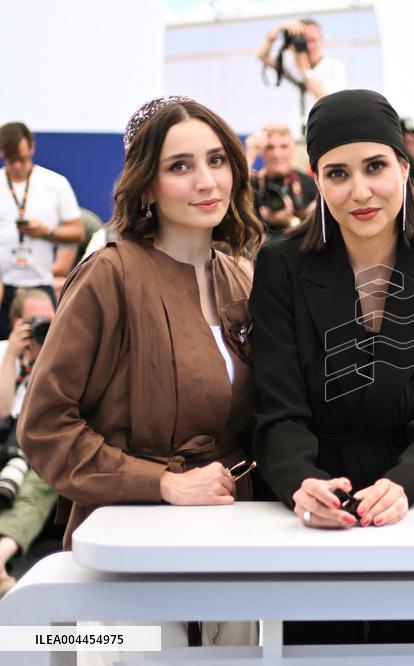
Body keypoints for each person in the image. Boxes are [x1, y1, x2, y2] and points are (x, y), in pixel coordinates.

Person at [18, 96, 265, 651]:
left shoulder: (241, 279)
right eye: (180, 166)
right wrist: (163, 483)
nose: (206, 180)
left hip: (232, 536)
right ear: (146, 184)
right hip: (130, 547)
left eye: (217, 159)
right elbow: (45, 426)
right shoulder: (109, 275)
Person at [250, 89, 414, 645]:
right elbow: (277, 408)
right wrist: (300, 484)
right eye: (338, 173)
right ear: (316, 180)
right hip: (313, 501)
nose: (360, 191)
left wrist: (403, 484)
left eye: (375, 166)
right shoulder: (280, 267)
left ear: (404, 167)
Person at [0, 122, 85, 339]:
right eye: (10, 161)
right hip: (4, 286)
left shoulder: (55, 184)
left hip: (40, 284)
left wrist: (46, 231)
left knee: (44, 351)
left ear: (32, 149)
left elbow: (78, 232)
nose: (17, 166)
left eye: (22, 159)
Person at [0, 289, 58, 598]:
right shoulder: (2, 353)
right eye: (37, 321)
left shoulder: (61, 356)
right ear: (17, 323)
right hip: (4, 444)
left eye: (52, 320)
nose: (44, 328)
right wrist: (11, 353)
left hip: (36, 450)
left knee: (41, 479)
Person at [256, 18, 347, 132]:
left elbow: (329, 101)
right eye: (304, 41)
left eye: (313, 40)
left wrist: (304, 69)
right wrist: (278, 29)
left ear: (322, 41)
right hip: (294, 132)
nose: (309, 46)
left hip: (322, 131)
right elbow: (261, 56)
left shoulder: (334, 66)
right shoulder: (290, 64)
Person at [244, 123, 318, 240]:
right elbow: (233, 199)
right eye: (270, 147)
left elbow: (317, 231)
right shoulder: (251, 183)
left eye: (283, 147)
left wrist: (289, 220)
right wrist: (249, 155)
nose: (277, 154)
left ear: (293, 148)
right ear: (261, 151)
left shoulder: (310, 184)